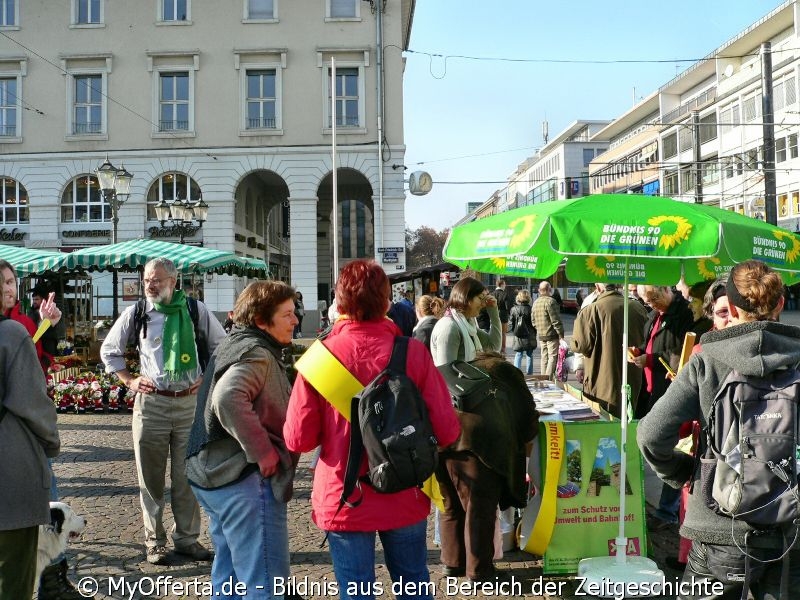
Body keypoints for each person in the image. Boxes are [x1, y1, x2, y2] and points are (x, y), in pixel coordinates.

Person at [283, 259, 460, 600]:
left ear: (339, 302)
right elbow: (448, 430)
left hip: (345, 494)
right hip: (404, 489)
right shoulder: (413, 353)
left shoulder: (319, 358)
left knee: (355, 590)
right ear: (387, 301)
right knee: (414, 585)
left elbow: (299, 439)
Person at [637, 260, 800, 598]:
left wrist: (687, 472)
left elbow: (650, 434)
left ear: (732, 307)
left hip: (720, 527)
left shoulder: (707, 358)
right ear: (781, 303)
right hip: (792, 528)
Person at [101, 257, 226, 565]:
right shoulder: (138, 312)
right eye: (146, 280)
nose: (150, 285)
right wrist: (129, 380)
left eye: (156, 280)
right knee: (150, 477)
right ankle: (154, 541)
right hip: (152, 403)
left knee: (188, 477)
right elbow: (110, 349)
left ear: (173, 281)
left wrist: (206, 378)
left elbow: (223, 348)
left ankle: (186, 539)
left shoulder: (196, 311)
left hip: (189, 405)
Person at [186, 281, 300, 599]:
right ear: (262, 320)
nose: (295, 321)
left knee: (230, 577)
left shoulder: (234, 343)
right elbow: (227, 398)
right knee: (265, 584)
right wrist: (263, 452)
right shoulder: (257, 353)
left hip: (213, 478)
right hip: (242, 482)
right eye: (287, 314)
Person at [0, 317, 61, 600]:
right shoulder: (11, 334)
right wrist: (51, 443)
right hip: (10, 478)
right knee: (13, 582)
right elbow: (33, 403)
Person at [629, 284, 694, 531]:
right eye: (648, 301)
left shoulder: (683, 314)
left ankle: (668, 511)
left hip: (669, 390)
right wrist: (639, 352)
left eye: (655, 298)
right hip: (649, 389)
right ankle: (665, 508)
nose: (652, 304)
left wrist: (652, 359)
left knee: (672, 447)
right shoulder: (655, 314)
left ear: (667, 291)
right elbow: (650, 343)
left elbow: (681, 352)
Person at [571, 283, 648, 418]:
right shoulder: (638, 307)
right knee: (630, 415)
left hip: (601, 381)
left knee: (605, 422)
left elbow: (579, 346)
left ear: (598, 288)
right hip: (633, 376)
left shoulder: (591, 310)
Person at [430, 276, 502, 366]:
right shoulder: (449, 327)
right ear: (466, 298)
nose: (484, 304)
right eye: (480, 298)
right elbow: (447, 374)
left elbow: (493, 347)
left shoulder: (467, 324)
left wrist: (493, 311)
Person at [532, 281, 564, 378]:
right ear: (549, 290)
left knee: (544, 358)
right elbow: (556, 321)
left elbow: (533, 321)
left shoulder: (535, 302)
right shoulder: (551, 301)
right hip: (552, 335)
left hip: (541, 335)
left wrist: (539, 329)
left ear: (539, 290)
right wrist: (561, 335)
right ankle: (548, 379)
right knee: (552, 357)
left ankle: (543, 378)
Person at [28, 285, 66, 361]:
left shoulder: (51, 312)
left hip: (48, 346)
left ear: (43, 300)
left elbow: (57, 330)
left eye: (37, 299)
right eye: (33, 299)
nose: (34, 301)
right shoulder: (31, 312)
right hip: (35, 346)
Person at [509, 289, 536, 375]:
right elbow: (534, 323)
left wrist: (514, 331)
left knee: (518, 354)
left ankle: (516, 374)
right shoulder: (531, 309)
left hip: (518, 335)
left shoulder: (514, 309)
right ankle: (529, 374)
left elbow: (511, 323)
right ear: (528, 298)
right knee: (529, 355)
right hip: (530, 335)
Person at [492, 279, 510, 352]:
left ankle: (495, 347)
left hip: (494, 314)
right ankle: (503, 349)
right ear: (502, 285)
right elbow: (507, 306)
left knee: (494, 332)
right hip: (503, 315)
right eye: (504, 284)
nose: (505, 286)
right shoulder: (505, 294)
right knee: (503, 333)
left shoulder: (492, 293)